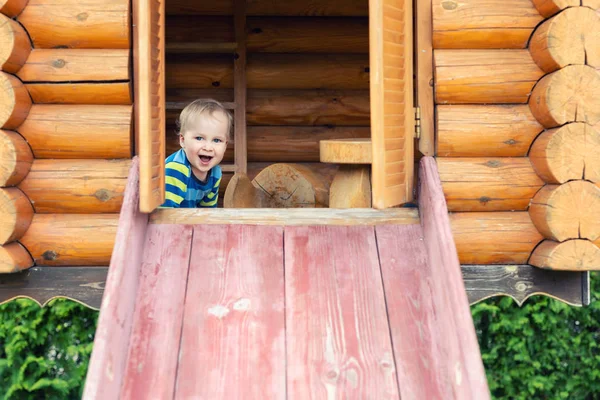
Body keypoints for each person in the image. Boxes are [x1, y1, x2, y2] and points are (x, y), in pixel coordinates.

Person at [162, 99, 231, 208]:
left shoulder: (215, 173)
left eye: (216, 140)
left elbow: (208, 213)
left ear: (225, 145)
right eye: (199, 138)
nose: (208, 148)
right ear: (183, 140)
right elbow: (165, 215)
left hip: (187, 221)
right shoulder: (176, 169)